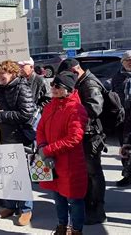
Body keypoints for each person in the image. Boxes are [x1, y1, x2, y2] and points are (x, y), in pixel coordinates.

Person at [36, 71, 88, 235]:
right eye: (52, 85)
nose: (53, 88)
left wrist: (48, 150)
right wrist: (42, 145)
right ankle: (62, 226)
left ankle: (76, 230)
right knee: (58, 197)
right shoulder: (51, 105)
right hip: (51, 160)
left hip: (70, 163)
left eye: (57, 86)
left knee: (74, 199)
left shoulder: (76, 109)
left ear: (68, 89)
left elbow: (74, 138)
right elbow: (40, 128)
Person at [57, 58, 107, 225]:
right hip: (82, 134)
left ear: (75, 71)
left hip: (91, 135)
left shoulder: (89, 84)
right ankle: (87, 204)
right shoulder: (81, 82)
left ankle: (98, 209)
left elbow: (94, 108)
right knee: (85, 172)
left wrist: (69, 112)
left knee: (93, 173)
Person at [0, 60, 35, 226]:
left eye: (4, 72)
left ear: (13, 73)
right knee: (6, 173)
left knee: (20, 175)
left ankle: (26, 209)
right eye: (0, 72)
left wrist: (2, 116)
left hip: (17, 137)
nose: (1, 75)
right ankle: (9, 205)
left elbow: (27, 113)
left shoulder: (22, 88)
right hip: (1, 137)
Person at [112, 50, 131, 187]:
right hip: (123, 118)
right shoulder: (118, 77)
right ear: (122, 62)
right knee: (125, 148)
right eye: (128, 60)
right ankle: (128, 175)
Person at [18, 58, 51, 128]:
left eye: (22, 66)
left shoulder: (40, 81)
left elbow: (49, 99)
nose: (20, 69)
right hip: (21, 118)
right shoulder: (19, 80)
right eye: (19, 66)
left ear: (31, 67)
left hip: (35, 119)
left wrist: (37, 109)